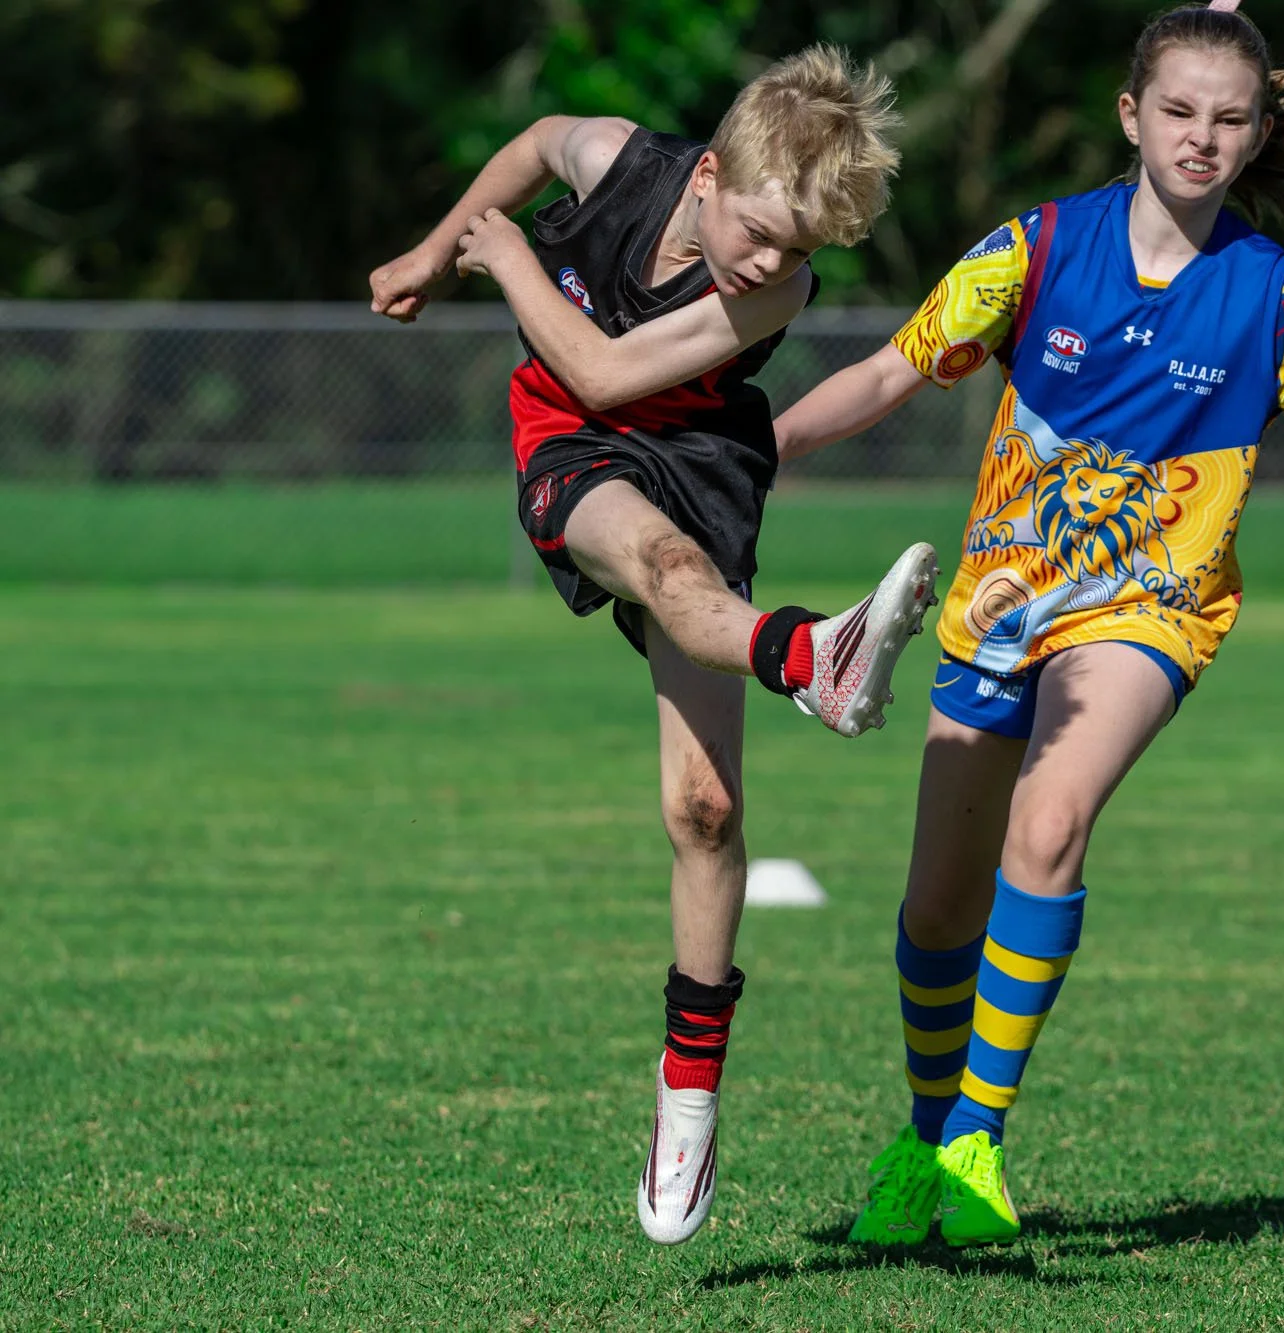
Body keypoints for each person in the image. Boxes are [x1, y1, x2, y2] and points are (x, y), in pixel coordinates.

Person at [773, 3, 1284, 1248]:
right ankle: (926, 1145)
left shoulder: (1276, 299)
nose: (1202, 137)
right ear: (1131, 115)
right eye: (1180, 110)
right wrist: (751, 451)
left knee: (1051, 819)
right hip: (999, 601)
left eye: (1229, 118)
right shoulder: (1032, 250)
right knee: (936, 910)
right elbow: (885, 373)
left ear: (1255, 139)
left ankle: (978, 1137)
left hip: (1151, 608)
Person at [366, 45, 938, 1246]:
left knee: (705, 810)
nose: (774, 265)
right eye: (764, 232)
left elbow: (610, 364)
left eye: (800, 251)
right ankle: (811, 660)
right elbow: (530, 153)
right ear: (712, 172)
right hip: (570, 447)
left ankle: (687, 1097)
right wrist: (435, 248)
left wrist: (505, 254)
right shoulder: (618, 157)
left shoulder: (775, 294)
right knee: (668, 573)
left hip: (698, 455)